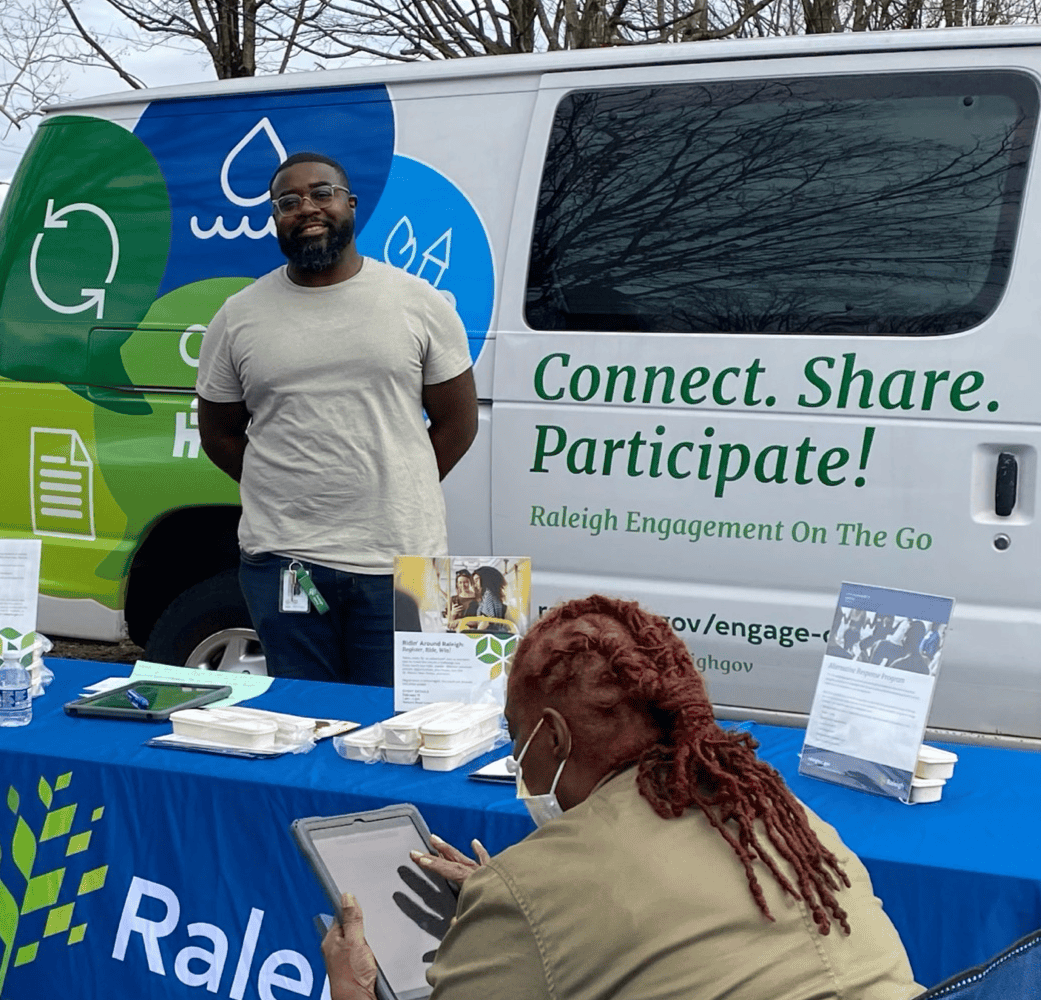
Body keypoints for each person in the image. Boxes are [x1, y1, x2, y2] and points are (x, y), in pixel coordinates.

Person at [320, 596, 925, 1000]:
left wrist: (354, 990)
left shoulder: (535, 889)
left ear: (552, 737)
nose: (514, 757)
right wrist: (512, 912)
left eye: (513, 733)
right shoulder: (791, 820)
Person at [196, 151, 479, 684]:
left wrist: (398, 484)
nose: (307, 207)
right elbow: (219, 433)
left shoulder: (419, 302)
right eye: (288, 200)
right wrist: (285, 489)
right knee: (304, 724)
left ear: (350, 204)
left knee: (411, 727)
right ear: (275, 217)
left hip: (404, 565)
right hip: (286, 562)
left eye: (322, 193)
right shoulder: (238, 316)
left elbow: (458, 424)